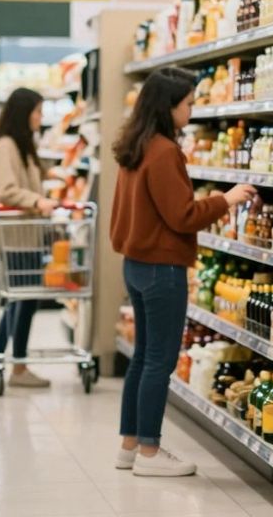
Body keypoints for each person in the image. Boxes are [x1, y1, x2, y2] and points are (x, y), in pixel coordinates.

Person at [110, 66, 256, 477]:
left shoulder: (134, 146)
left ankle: (130, 445)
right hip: (162, 269)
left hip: (135, 265)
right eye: (189, 103)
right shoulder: (164, 151)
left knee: (142, 358)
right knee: (160, 361)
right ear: (168, 106)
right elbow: (182, 215)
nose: (192, 109)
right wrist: (225, 200)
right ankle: (151, 455)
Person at [0, 87, 58, 387]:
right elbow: (6, 190)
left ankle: (2, 357)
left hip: (27, 235)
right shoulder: (5, 146)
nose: (41, 117)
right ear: (23, 113)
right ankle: (16, 366)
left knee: (20, 300)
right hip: (16, 236)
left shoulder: (20, 144)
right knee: (22, 301)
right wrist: (37, 201)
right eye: (38, 111)